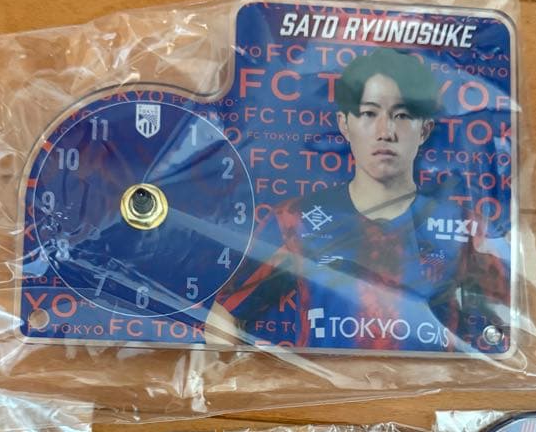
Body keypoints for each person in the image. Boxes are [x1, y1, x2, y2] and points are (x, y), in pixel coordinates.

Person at [208, 48, 509, 353]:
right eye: (369, 113)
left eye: (402, 115)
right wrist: (233, 374)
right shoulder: (297, 220)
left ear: (424, 129)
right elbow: (224, 317)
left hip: (427, 384)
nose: (385, 131)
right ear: (344, 124)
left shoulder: (461, 226)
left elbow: (512, 322)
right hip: (323, 384)